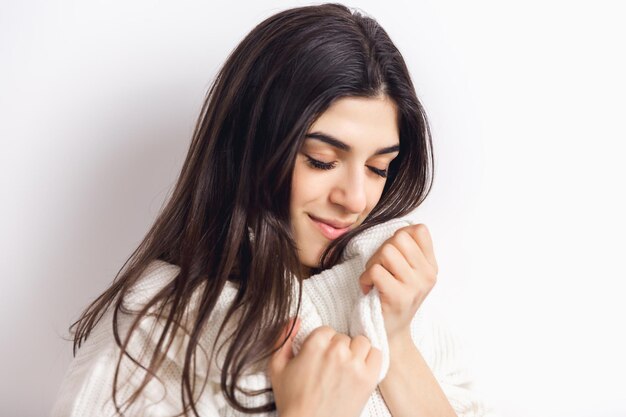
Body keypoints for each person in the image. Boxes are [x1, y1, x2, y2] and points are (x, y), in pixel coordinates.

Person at [51, 3, 495, 417]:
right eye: (322, 160)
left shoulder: (388, 299)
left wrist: (395, 340)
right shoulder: (147, 340)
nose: (356, 199)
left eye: (379, 167)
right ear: (249, 150)